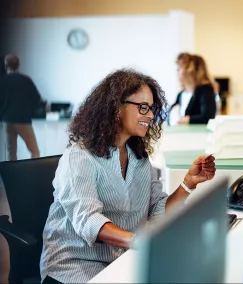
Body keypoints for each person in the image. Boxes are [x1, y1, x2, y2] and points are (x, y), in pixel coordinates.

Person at [39, 69, 217, 284]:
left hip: (122, 260)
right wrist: (138, 241)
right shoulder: (79, 157)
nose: (150, 115)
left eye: (151, 108)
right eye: (143, 107)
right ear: (116, 107)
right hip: (75, 266)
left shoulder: (138, 157)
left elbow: (156, 210)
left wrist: (188, 184)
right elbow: (88, 221)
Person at [0, 54, 42, 161]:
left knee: (11, 153)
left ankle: (11, 177)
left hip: (7, 121)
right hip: (22, 120)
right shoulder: (25, 80)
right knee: (34, 151)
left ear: (5, 66)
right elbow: (37, 100)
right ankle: (34, 174)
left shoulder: (2, 81)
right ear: (18, 65)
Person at [169, 53, 217, 125]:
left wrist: (187, 120)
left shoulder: (205, 90)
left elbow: (207, 116)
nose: (177, 72)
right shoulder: (181, 94)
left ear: (190, 71)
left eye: (179, 69)